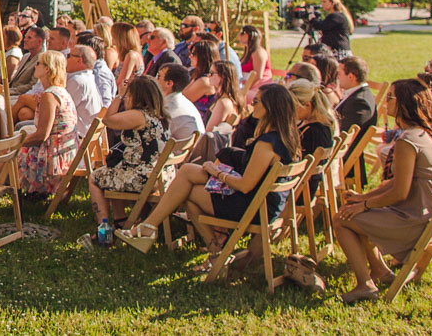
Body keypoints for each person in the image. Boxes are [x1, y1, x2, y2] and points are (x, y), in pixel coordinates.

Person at [117, 84, 304, 253]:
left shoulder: (267, 144)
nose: (252, 105)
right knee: (188, 175)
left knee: (188, 190)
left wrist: (218, 173)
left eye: (256, 102)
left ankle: (211, 250)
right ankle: (152, 228)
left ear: (270, 108)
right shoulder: (285, 138)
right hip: (264, 205)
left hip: (252, 209)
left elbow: (245, 185)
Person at [331, 77, 432, 303]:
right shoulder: (430, 132)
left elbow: (400, 193)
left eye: (390, 98)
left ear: (404, 104)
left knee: (341, 219)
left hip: (417, 222)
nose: (385, 103)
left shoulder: (409, 141)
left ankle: (365, 285)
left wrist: (364, 205)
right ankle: (380, 271)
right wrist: (364, 197)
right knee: (355, 211)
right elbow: (399, 182)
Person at [86, 76, 171, 246]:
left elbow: (108, 120)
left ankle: (104, 229)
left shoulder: (139, 115)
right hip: (159, 174)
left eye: (129, 96)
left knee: (95, 178)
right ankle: (120, 220)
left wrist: (119, 95)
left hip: (142, 177)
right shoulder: (157, 115)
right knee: (112, 171)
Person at [13, 52, 80, 198]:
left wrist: (15, 142)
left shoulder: (49, 96)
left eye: (38, 63)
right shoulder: (59, 92)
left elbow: (42, 135)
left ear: (47, 69)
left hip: (53, 160)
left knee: (6, 150)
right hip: (64, 153)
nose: (35, 66)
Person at [157, 64, 206, 142]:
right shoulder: (183, 101)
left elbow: (157, 135)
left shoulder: (169, 109)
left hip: (177, 152)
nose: (155, 80)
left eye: (158, 77)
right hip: (189, 149)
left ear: (169, 83)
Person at [62, 45, 104, 130]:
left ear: (79, 60)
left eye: (69, 56)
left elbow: (59, 110)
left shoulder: (78, 81)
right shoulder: (86, 78)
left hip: (74, 135)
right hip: (75, 131)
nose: (65, 59)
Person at [335, 56, 378, 134]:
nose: (337, 77)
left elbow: (344, 132)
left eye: (339, 74)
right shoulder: (357, 93)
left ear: (350, 77)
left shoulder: (359, 102)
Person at [236, 24, 273, 102]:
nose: (240, 35)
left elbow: (258, 76)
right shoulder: (247, 52)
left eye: (243, 33)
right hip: (246, 84)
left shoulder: (258, 52)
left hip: (259, 87)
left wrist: (245, 89)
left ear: (251, 35)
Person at [109, 21, 143, 88]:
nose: (111, 37)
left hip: (127, 96)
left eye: (113, 35)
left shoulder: (131, 55)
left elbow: (122, 82)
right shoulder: (131, 54)